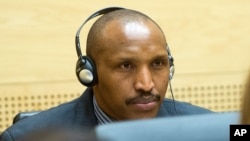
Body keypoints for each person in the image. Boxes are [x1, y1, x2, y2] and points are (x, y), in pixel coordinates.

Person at [0, 7, 212, 141]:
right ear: (89, 73)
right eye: (126, 66)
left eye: (158, 63)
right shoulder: (24, 138)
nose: (146, 84)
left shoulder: (210, 128)